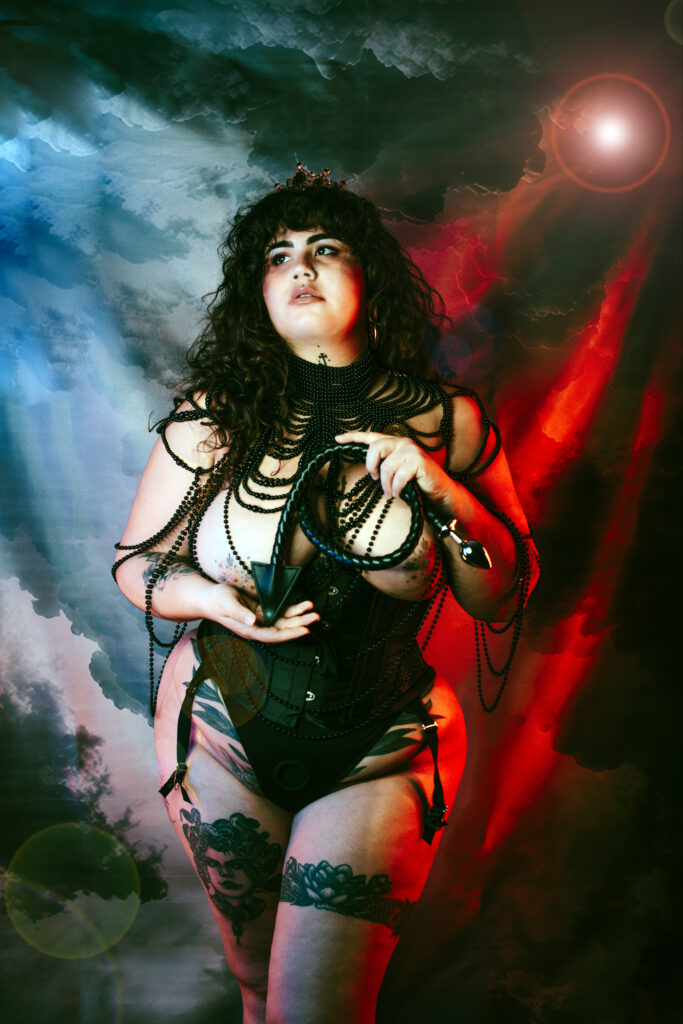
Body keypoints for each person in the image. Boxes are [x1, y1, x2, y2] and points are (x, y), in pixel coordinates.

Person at [113, 164, 539, 1024]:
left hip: (381, 745)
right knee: (255, 990)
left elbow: (503, 594)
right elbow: (136, 566)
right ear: (258, 293)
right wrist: (212, 600)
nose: (300, 266)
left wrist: (441, 490)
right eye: (278, 255)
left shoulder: (446, 422)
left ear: (367, 278)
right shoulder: (210, 418)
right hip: (221, 731)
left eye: (325, 247)